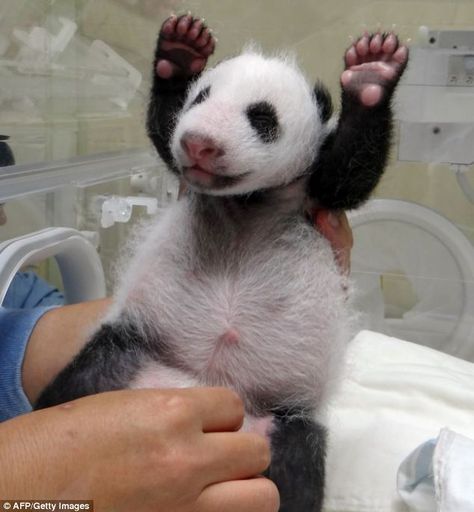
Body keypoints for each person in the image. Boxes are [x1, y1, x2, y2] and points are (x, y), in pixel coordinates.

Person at [0, 209, 352, 509]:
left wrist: (249, 305)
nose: (3, 217)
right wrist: (29, 489)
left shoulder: (24, 289)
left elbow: (20, 340)